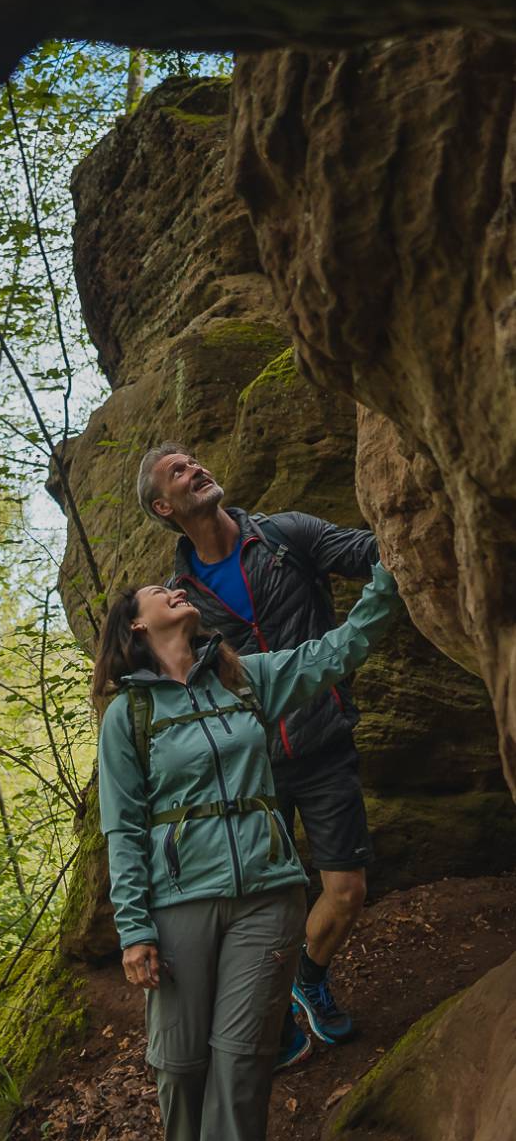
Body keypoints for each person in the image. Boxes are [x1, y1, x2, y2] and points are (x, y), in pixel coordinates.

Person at [93, 565, 400, 1141]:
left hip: (267, 895)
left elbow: (338, 651)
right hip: (178, 905)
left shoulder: (245, 676)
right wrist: (135, 929)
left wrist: (392, 577)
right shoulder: (128, 715)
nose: (176, 592)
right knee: (178, 1058)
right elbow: (125, 828)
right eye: (158, 594)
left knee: (241, 1063)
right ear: (136, 625)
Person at [136, 443, 384, 1064]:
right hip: (250, 767)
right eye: (178, 471)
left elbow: (366, 551)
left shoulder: (282, 536)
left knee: (347, 891)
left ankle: (310, 977)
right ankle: (271, 1025)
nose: (196, 468)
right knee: (258, 908)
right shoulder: (177, 601)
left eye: (195, 460)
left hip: (323, 739)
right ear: (164, 506)